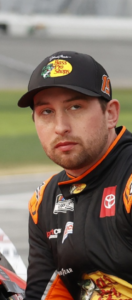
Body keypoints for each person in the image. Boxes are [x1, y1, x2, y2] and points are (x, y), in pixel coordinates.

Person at [17, 51, 132, 299]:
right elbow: (43, 294)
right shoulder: (44, 202)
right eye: (46, 112)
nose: (60, 127)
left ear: (110, 114)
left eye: (75, 106)